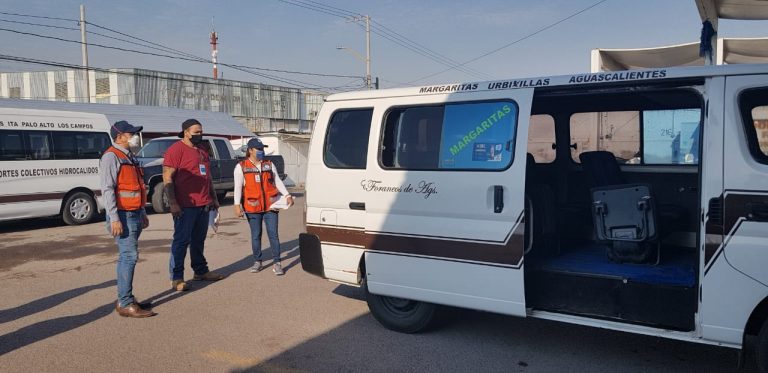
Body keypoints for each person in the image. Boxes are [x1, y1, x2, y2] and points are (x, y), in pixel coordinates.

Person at [100, 120, 155, 318]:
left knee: (129, 255)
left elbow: (138, 187)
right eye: (130, 133)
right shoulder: (111, 157)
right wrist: (114, 218)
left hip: (134, 213)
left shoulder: (129, 156)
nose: (134, 137)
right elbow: (107, 189)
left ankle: (127, 298)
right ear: (119, 136)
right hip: (122, 215)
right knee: (129, 256)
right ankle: (125, 302)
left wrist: (142, 212)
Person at [163, 119, 225, 291]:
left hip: (204, 204)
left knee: (199, 240)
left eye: (201, 132)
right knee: (181, 241)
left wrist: (213, 198)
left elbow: (207, 177)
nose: (200, 135)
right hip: (185, 206)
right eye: (196, 132)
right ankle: (176, 278)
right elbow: (167, 177)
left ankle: (200, 271)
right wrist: (173, 203)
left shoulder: (202, 151)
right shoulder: (175, 150)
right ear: (186, 132)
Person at [234, 138, 293, 275]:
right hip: (252, 207)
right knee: (256, 235)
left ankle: (277, 263)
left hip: (271, 206)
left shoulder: (269, 164)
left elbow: (277, 181)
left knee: (274, 235)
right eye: (258, 149)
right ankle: (257, 261)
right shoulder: (241, 166)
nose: (262, 151)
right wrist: (237, 205)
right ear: (250, 150)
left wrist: (287, 195)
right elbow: (237, 187)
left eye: (262, 149)